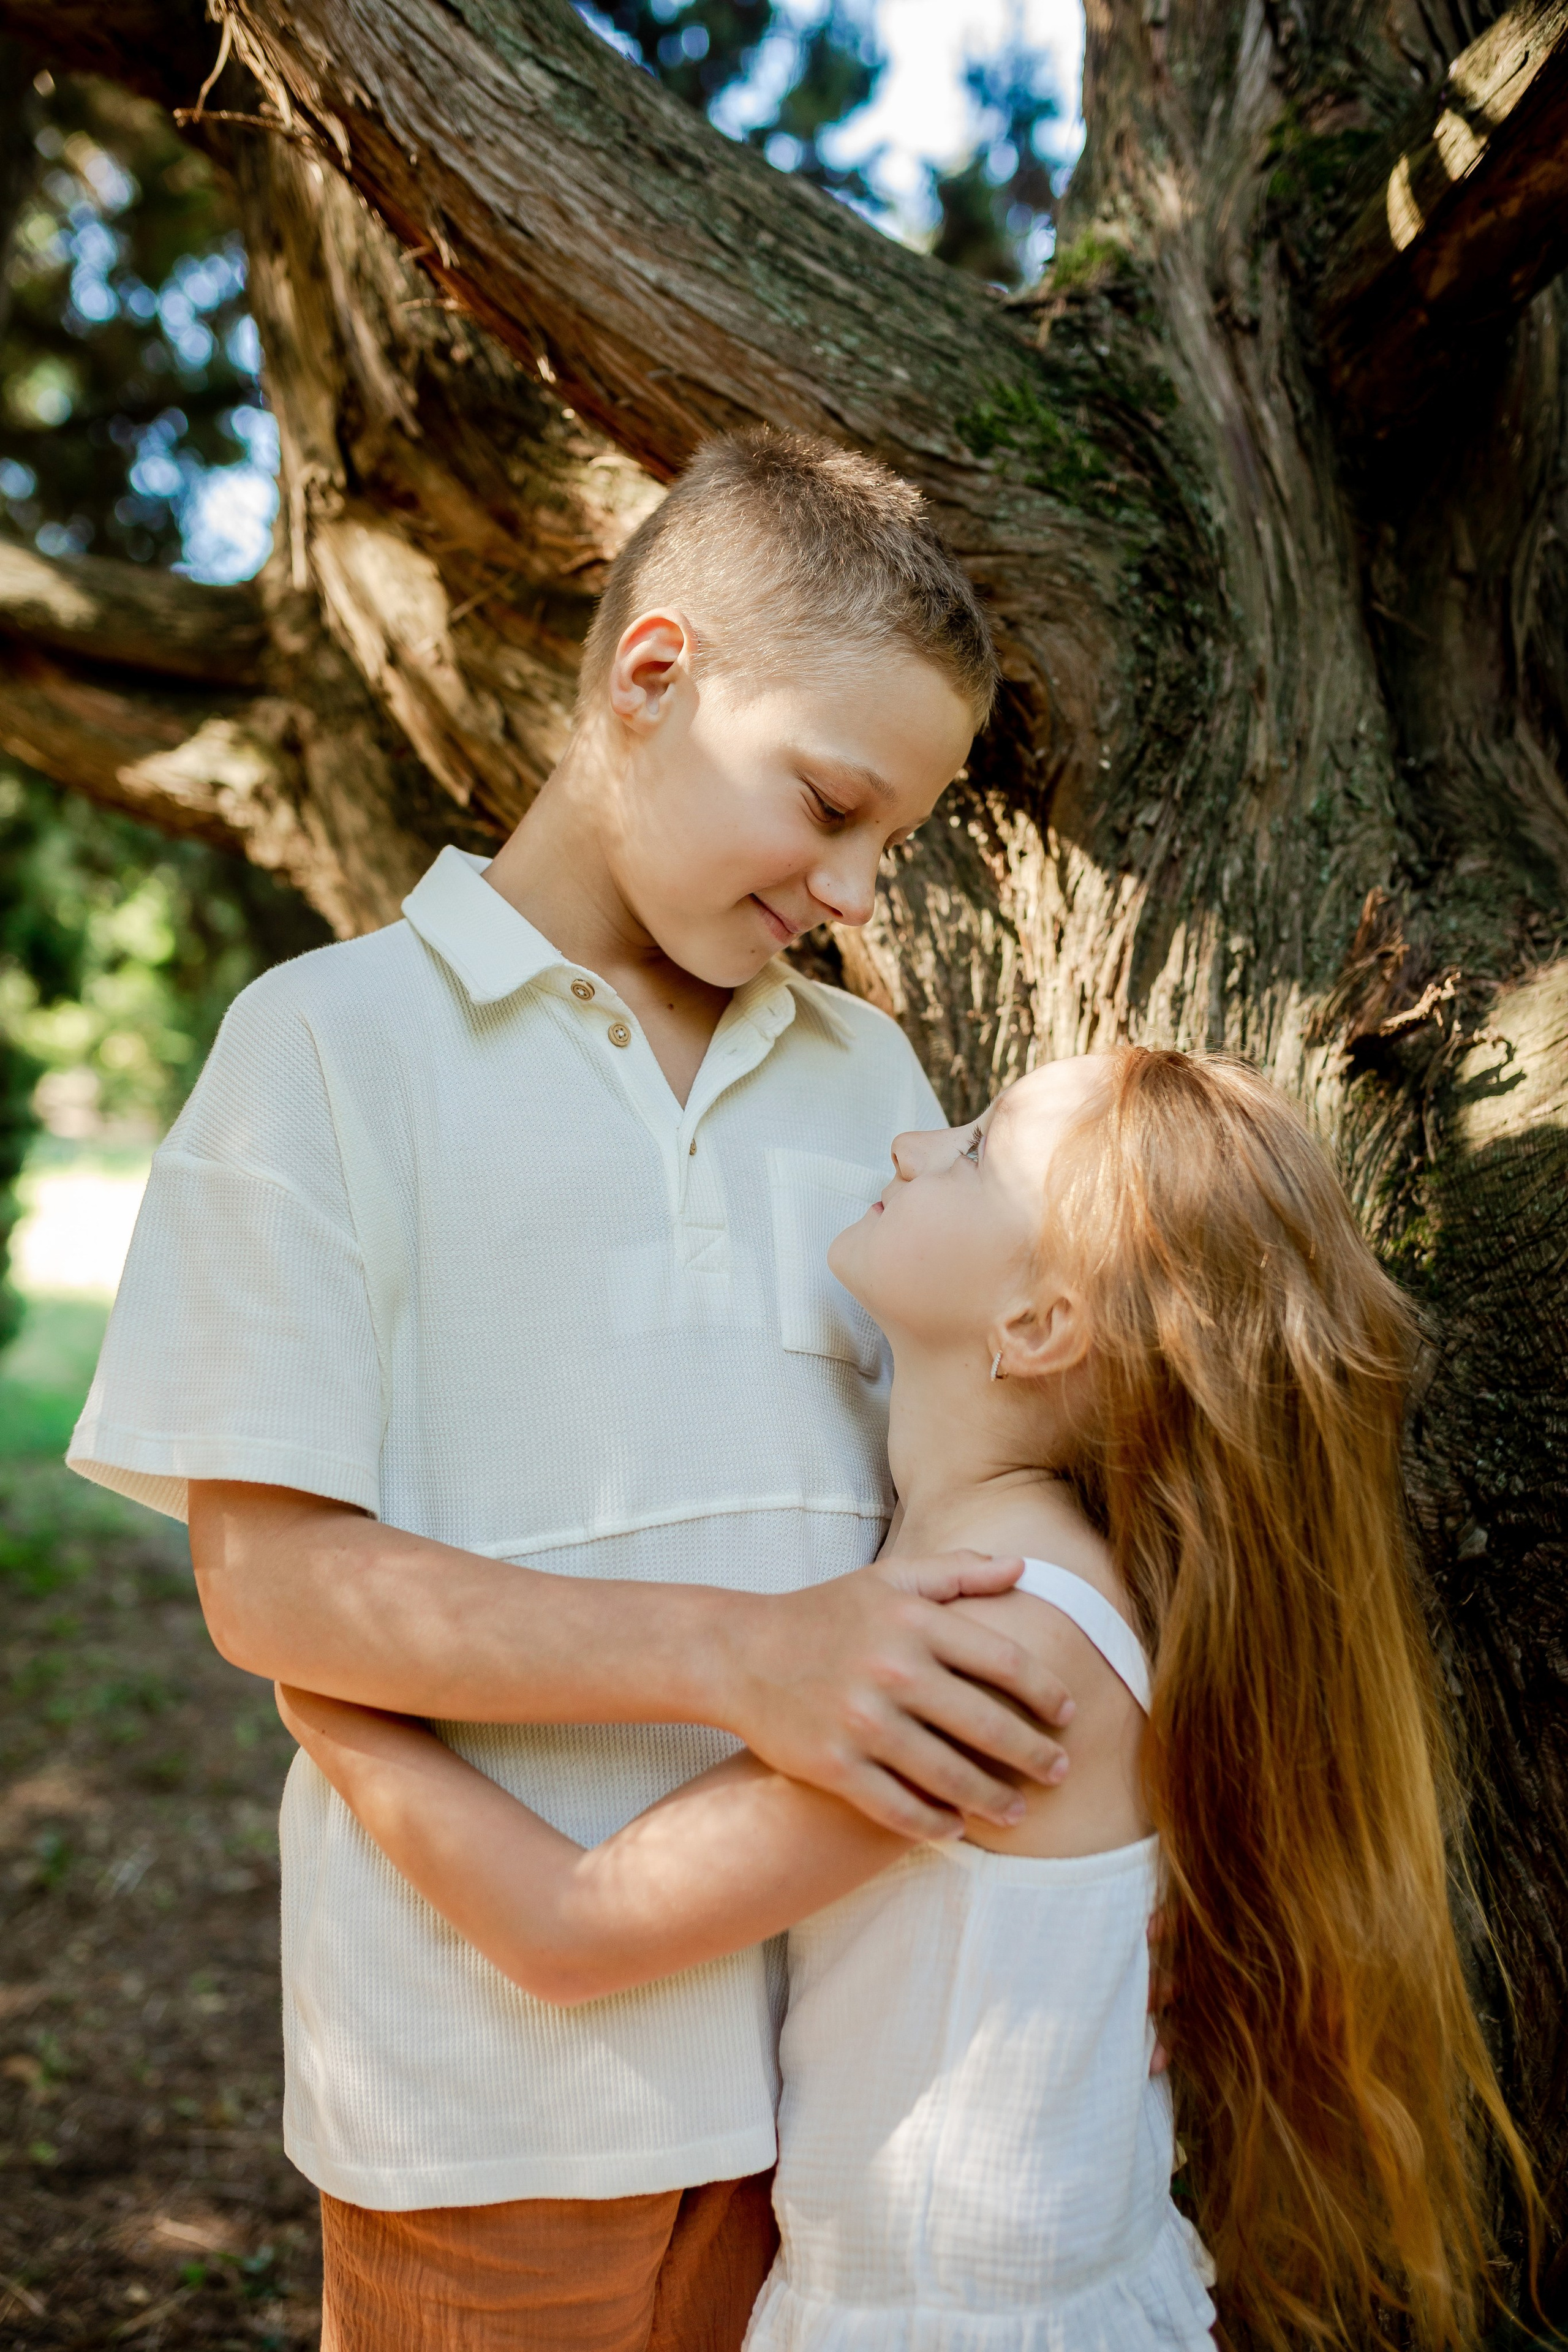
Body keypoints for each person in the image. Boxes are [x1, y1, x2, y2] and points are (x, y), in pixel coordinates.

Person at [67, 432, 1085, 2350]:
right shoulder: (328, 1047)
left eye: (896, 842)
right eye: (830, 804)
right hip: (487, 2098)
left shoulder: (872, 1087)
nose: (858, 887)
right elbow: (265, 1581)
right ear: (653, 674)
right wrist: (737, 1654)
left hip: (850, 2082)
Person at [279, 1047, 1537, 2352]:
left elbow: (569, 1927)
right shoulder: (1005, 1582)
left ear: (1038, 1325)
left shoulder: (993, 1642)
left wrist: (326, 1696)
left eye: (976, 1149)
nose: (909, 1146)